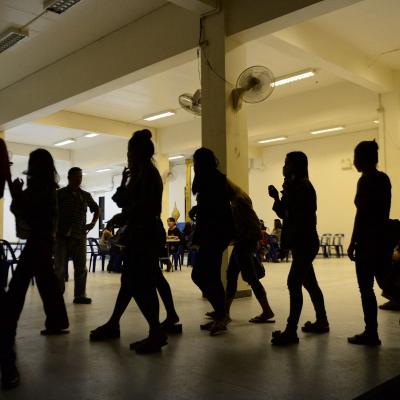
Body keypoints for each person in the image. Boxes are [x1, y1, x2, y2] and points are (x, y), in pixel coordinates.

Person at [91, 129, 176, 353]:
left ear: (139, 153)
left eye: (130, 152)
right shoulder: (139, 174)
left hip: (144, 234)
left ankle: (155, 332)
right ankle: (114, 323)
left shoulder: (149, 174)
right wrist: (123, 181)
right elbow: (121, 201)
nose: (128, 157)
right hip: (139, 233)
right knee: (130, 282)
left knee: (141, 284)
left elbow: (145, 208)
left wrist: (123, 215)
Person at [0, 149, 69, 390]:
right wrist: (15, 191)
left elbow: (23, 210)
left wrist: (13, 188)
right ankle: (57, 321)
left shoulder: (43, 189)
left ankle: (11, 331)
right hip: (42, 241)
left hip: (39, 241)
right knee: (46, 282)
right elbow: (21, 208)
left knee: (18, 288)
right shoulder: (46, 187)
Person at [268, 151, 329, 345]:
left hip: (305, 242)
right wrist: (276, 197)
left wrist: (284, 199)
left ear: (295, 166)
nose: (283, 167)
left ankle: (291, 330)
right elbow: (285, 214)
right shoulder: (294, 186)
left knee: (293, 282)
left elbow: (295, 216)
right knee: (309, 283)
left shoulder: (303, 187)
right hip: (301, 242)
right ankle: (322, 321)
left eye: (287, 163)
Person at [347, 140, 392, 346]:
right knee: (386, 283)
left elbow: (362, 214)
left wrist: (353, 241)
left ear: (364, 159)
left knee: (366, 288)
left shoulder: (366, 181)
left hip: (367, 241)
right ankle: (370, 332)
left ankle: (371, 333)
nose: (354, 161)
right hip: (382, 240)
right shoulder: (383, 179)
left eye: (356, 157)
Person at [191, 147, 234, 335]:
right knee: (211, 275)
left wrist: (199, 231)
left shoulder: (212, 180)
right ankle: (220, 314)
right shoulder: (212, 178)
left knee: (200, 274)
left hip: (214, 234)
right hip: (216, 234)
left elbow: (214, 210)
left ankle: (222, 314)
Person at [224, 179, 275, 324]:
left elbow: (248, 222)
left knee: (251, 278)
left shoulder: (239, 201)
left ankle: (267, 311)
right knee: (232, 274)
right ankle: (225, 312)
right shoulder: (239, 198)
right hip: (244, 241)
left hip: (245, 242)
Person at [54, 167, 99, 304]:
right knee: (59, 268)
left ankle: (80, 295)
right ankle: (57, 295)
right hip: (61, 236)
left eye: (80, 177)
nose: (78, 179)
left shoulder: (85, 195)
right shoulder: (59, 194)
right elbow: (51, 212)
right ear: (69, 177)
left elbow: (96, 209)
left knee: (81, 267)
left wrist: (92, 224)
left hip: (79, 236)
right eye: (76, 177)